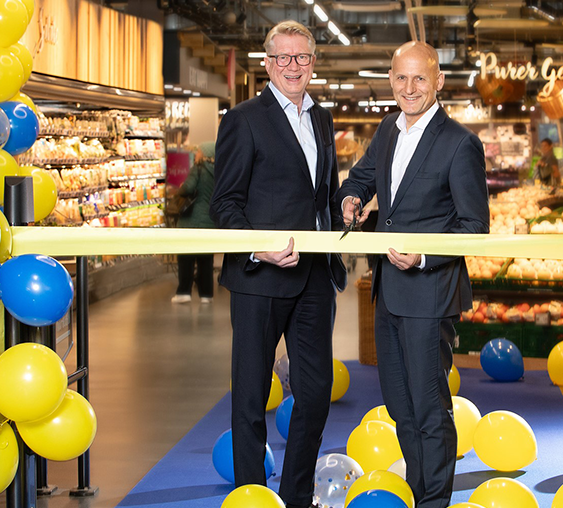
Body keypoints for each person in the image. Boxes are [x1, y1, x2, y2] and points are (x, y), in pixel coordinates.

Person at [337, 41, 490, 508]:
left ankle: (433, 501)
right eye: (401, 78)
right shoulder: (386, 130)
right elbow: (361, 179)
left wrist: (423, 256)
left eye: (420, 78)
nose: (410, 88)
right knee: (401, 408)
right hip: (388, 291)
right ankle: (421, 490)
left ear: (438, 81)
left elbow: (473, 227)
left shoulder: (460, 143)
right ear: (390, 80)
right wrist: (351, 199)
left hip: (429, 291)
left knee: (428, 408)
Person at [209, 20, 347, 508]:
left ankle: (296, 494)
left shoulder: (323, 119)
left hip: (313, 277)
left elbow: (324, 194)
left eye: (302, 58)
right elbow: (224, 203)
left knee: (314, 393)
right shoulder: (244, 119)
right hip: (259, 278)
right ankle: (252, 495)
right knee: (250, 395)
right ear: (267, 64)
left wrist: (343, 218)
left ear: (313, 63)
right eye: (283, 58)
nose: (293, 66)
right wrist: (257, 246)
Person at [172, 142, 216, 304]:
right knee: (206, 259)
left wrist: (181, 187)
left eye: (198, 151)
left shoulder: (198, 168)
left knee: (186, 257)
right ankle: (206, 295)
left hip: (191, 220)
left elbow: (188, 188)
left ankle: (184, 291)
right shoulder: (219, 171)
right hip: (209, 220)